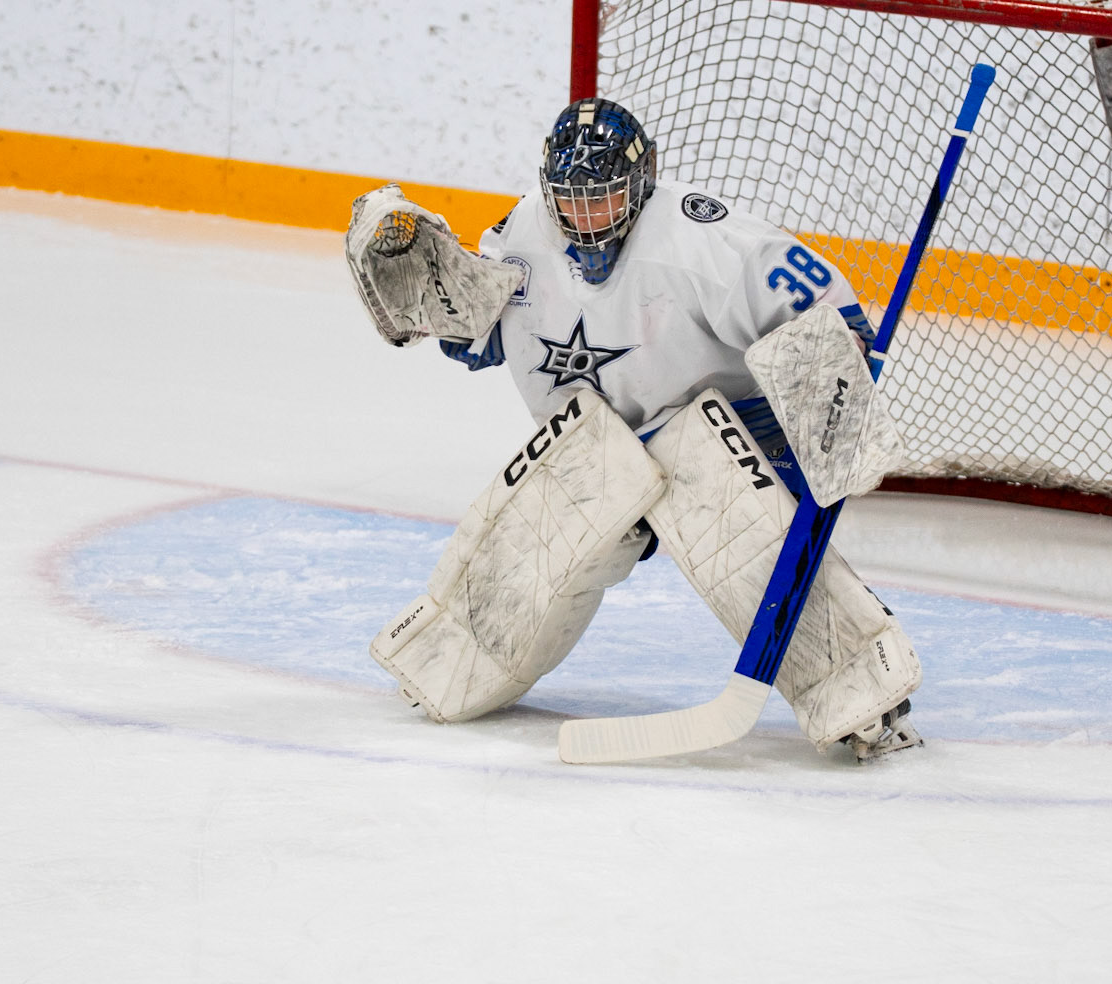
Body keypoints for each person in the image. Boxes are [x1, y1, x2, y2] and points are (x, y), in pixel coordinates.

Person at [347, 98, 922, 760]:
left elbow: (829, 315)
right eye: (570, 201)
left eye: (602, 198)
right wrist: (433, 296)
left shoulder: (702, 240)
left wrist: (831, 367)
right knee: (531, 545)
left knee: (740, 538)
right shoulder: (522, 235)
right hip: (599, 439)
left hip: (722, 431)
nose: (585, 217)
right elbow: (479, 341)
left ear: (642, 180)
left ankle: (863, 693)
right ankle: (453, 667)